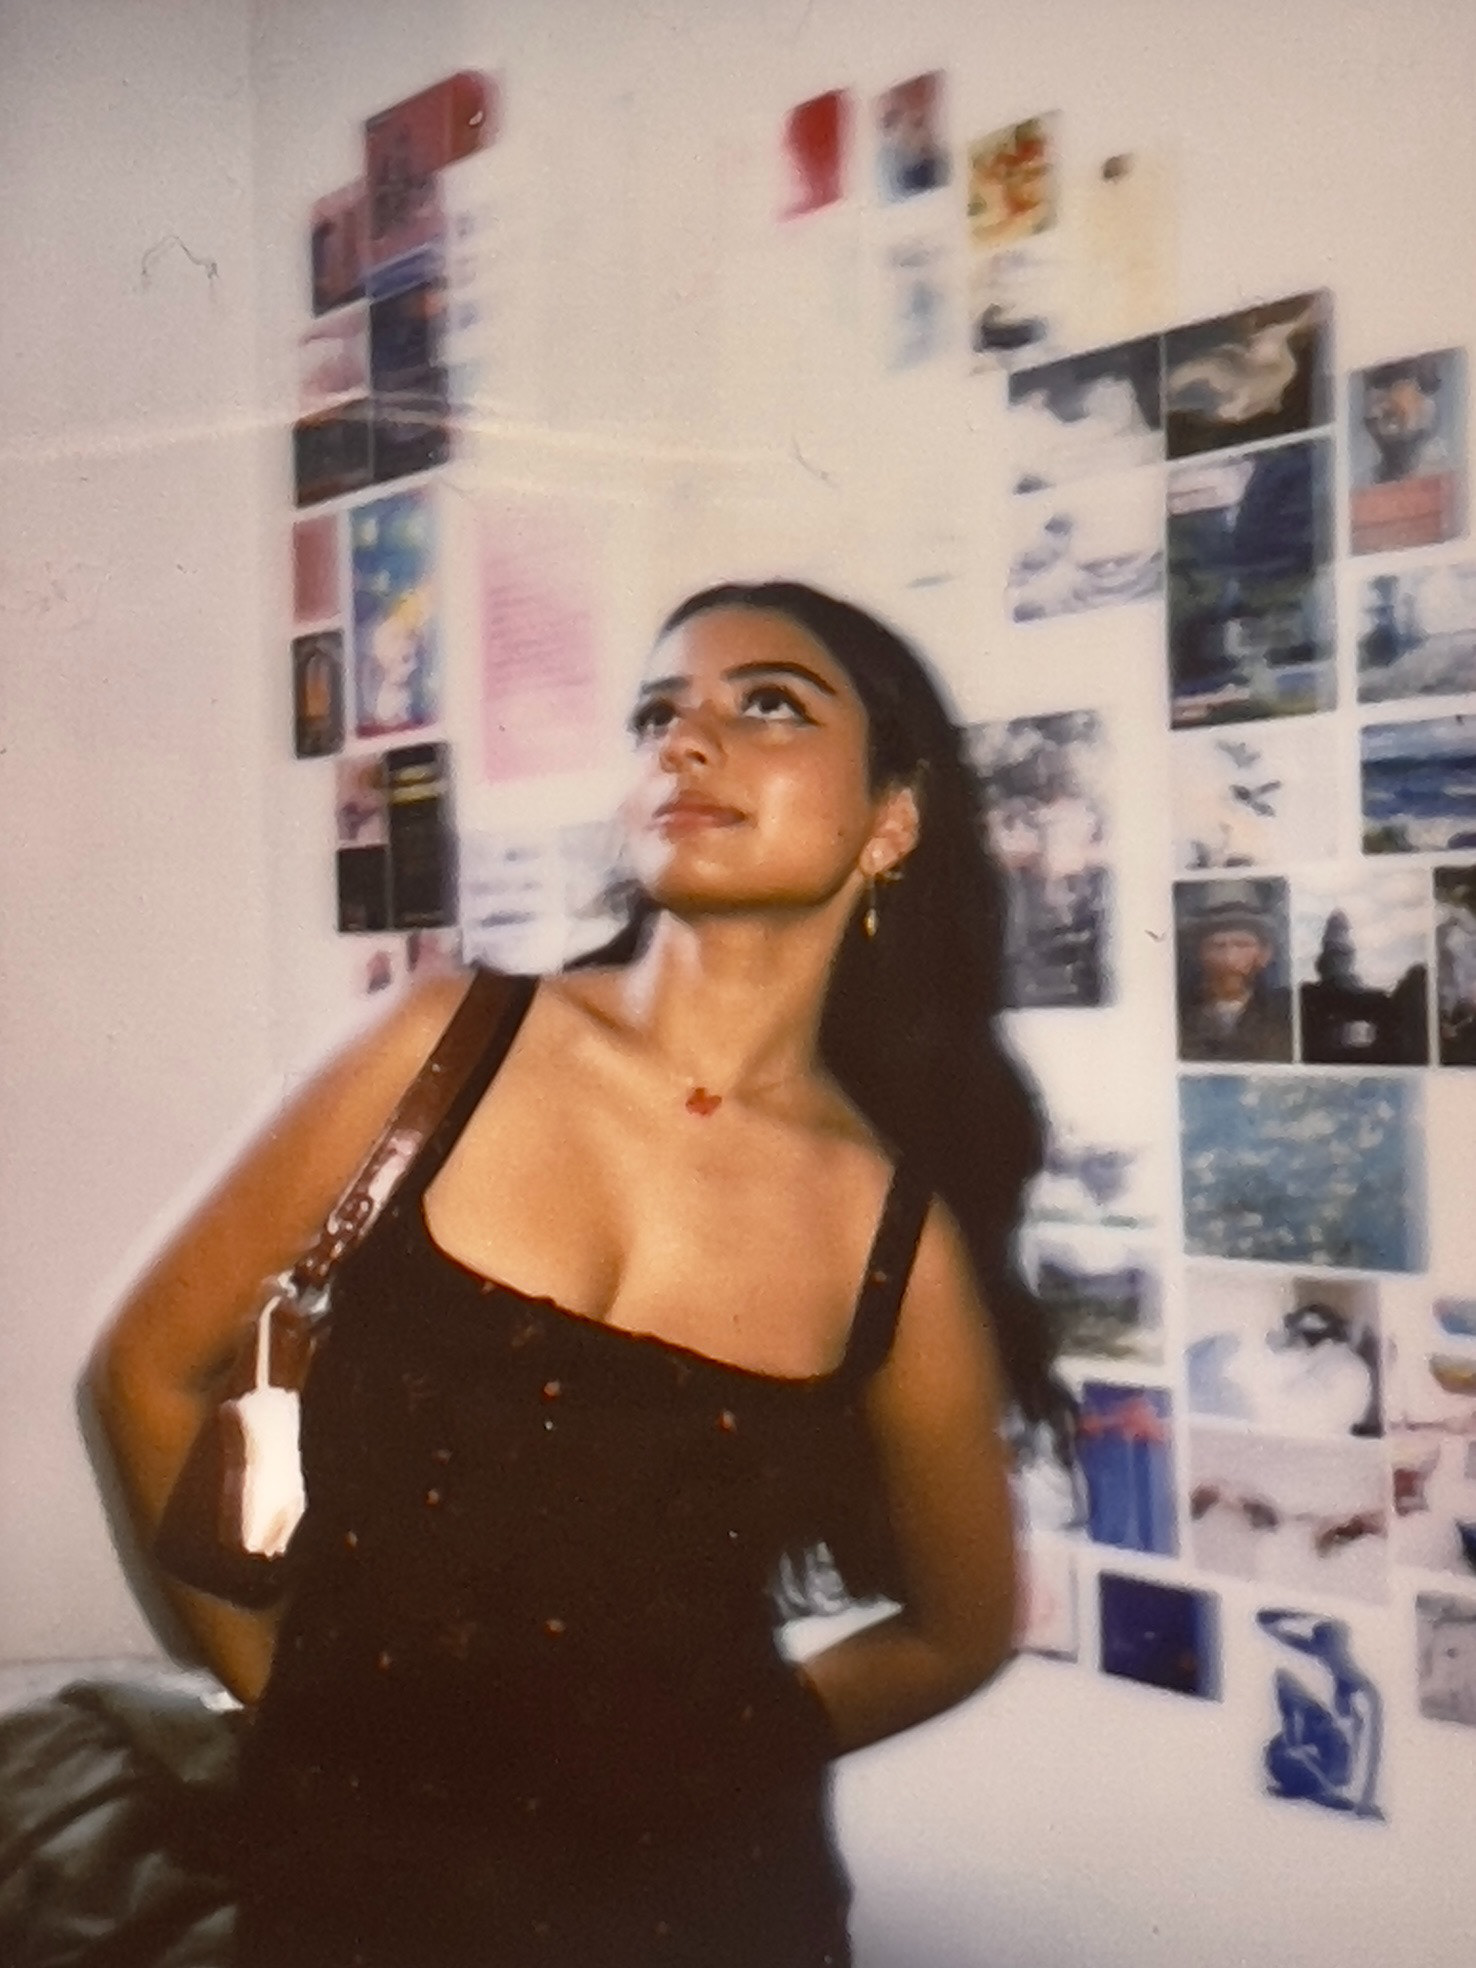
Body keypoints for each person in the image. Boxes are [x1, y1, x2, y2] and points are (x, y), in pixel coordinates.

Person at [87, 581, 1066, 1968]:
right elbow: (145, 1373)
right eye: (659, 714)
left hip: (705, 1916)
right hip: (355, 1892)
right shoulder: (441, 1048)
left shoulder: (893, 1235)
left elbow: (961, 1631)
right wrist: (288, 1689)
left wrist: (714, 1757)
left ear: (891, 822)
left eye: (768, 705)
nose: (687, 740)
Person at [1176, 889, 1291, 1062]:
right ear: (1200, 954)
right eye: (1217, 946)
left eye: (1242, 945)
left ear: (1264, 954)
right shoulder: (1178, 1015)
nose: (1229, 959)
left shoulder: (1284, 1015)